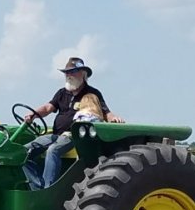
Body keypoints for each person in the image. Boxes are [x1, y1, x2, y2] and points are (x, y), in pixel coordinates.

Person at [22, 57, 123, 190]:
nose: (68, 75)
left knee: (53, 150)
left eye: (73, 72)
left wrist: (114, 118)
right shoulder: (62, 93)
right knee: (22, 152)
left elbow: (105, 112)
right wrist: (33, 114)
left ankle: (47, 189)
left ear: (83, 74)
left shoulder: (92, 94)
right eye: (66, 72)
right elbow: (47, 108)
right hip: (56, 135)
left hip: (74, 135)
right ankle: (37, 187)